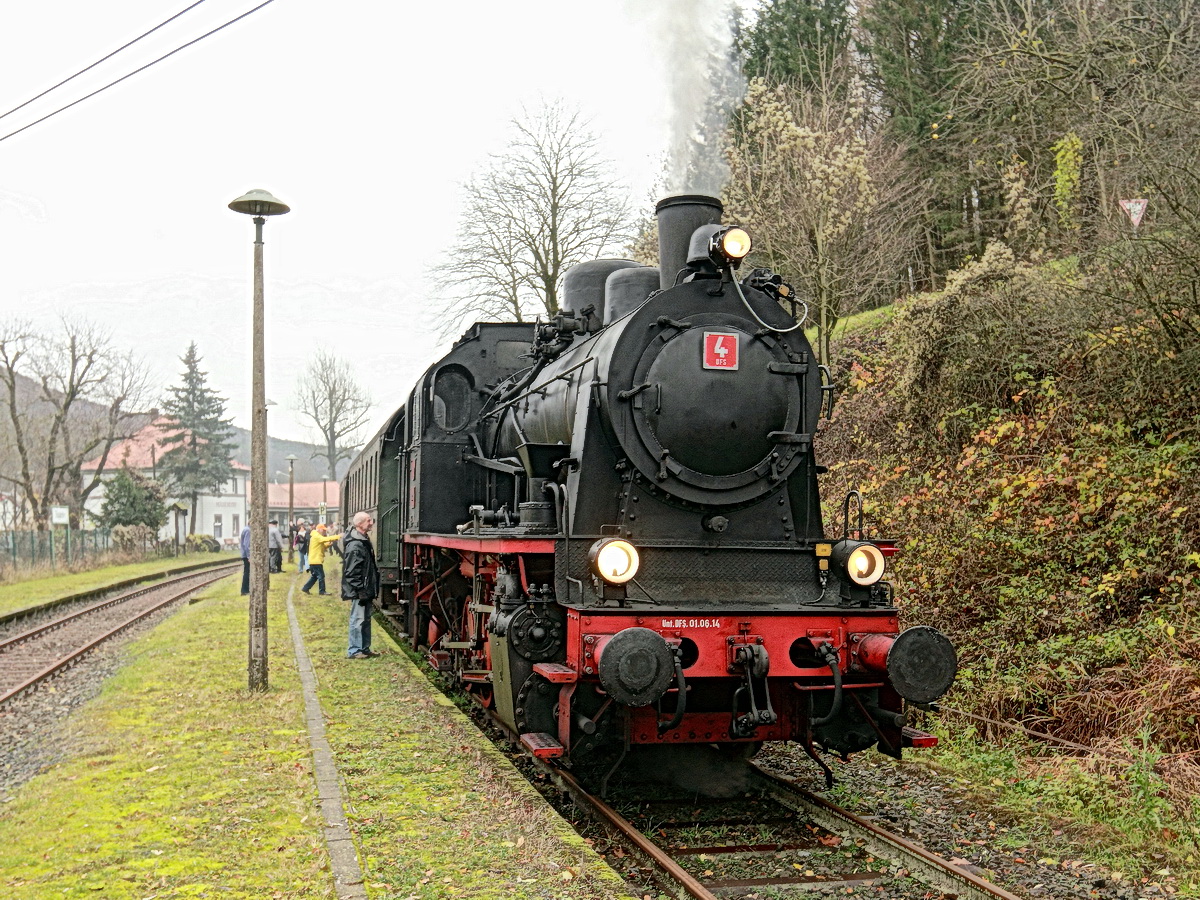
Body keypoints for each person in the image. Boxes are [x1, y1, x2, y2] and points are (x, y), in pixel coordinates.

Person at [342, 511, 380, 659]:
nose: (371, 523)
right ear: (359, 524)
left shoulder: (362, 540)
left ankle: (364, 648)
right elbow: (351, 572)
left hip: (365, 588)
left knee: (365, 619)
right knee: (357, 620)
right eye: (368, 521)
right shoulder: (356, 545)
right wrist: (361, 590)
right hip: (360, 590)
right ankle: (355, 650)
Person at [302, 523, 339, 595]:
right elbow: (324, 539)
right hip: (316, 560)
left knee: (315, 576)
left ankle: (305, 588)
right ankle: (322, 591)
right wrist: (337, 536)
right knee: (321, 576)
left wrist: (328, 544)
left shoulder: (316, 536)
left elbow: (322, 546)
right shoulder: (316, 536)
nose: (324, 532)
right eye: (323, 530)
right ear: (319, 529)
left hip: (314, 560)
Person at [239, 523, 251, 595]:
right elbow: (247, 544)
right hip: (246, 555)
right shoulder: (248, 530)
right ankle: (245, 590)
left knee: (247, 571)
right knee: (247, 572)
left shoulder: (245, 529)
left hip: (244, 554)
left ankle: (246, 589)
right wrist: (249, 556)